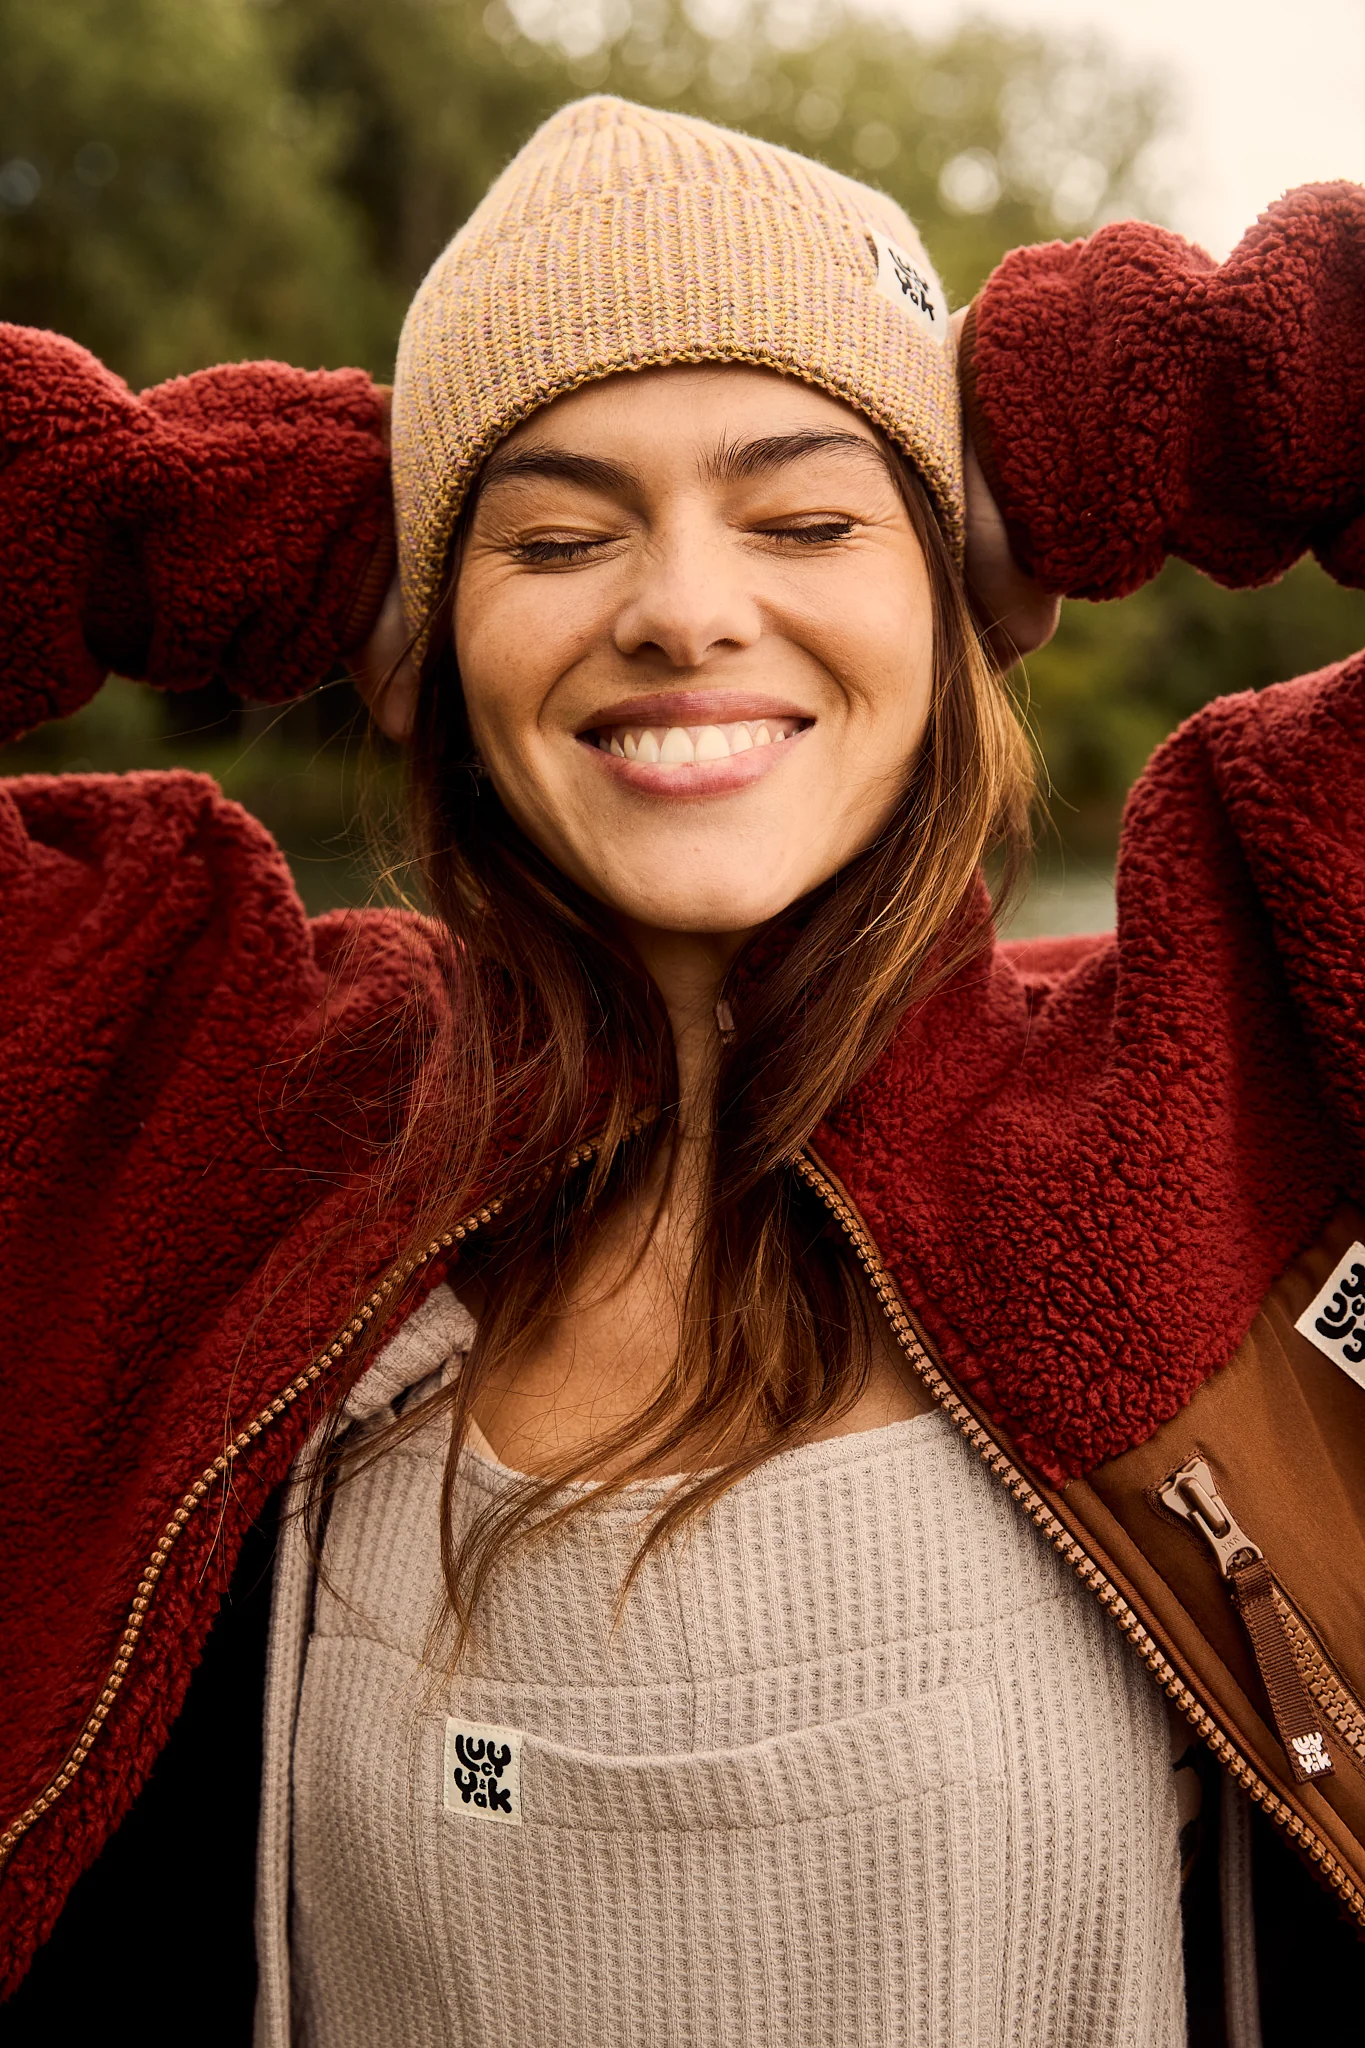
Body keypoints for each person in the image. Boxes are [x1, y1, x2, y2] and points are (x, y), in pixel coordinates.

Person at [1, 92, 1362, 2047]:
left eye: (809, 517)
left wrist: (1134, 414)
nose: (682, 608)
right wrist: (212, 522)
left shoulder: (1239, 1061)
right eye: (553, 535)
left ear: (955, 596)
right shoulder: (190, 1099)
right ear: (429, 630)